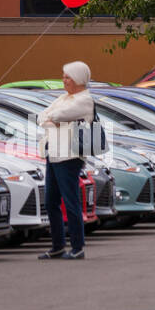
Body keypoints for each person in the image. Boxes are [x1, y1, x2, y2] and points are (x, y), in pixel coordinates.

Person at [36, 60, 95, 260]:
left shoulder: (84, 100)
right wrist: (51, 119)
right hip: (53, 154)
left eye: (68, 77)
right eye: (63, 76)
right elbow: (41, 117)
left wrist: (53, 119)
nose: (64, 80)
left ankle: (77, 247)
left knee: (71, 201)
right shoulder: (63, 97)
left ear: (78, 78)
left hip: (69, 156)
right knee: (51, 201)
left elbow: (59, 115)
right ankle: (58, 246)